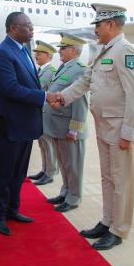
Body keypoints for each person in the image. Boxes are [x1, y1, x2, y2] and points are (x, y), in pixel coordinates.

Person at [49, 4, 134, 250]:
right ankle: (107, 221)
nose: (96, 30)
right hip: (104, 125)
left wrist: (130, 133)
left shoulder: (125, 51)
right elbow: (87, 80)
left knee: (121, 180)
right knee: (107, 178)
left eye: (99, 25)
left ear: (111, 25)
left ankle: (118, 229)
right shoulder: (103, 50)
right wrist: (63, 96)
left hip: (120, 128)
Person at [0, 12, 45, 236]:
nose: (31, 30)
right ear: (13, 29)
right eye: (27, 27)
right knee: (4, 171)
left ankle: (13, 209)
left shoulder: (23, 49)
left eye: (31, 27)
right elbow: (10, 89)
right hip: (8, 123)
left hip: (24, 123)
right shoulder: (3, 53)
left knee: (19, 171)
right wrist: (43, 96)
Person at [45, 33, 88, 212]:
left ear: (73, 50)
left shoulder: (79, 69)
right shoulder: (64, 68)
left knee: (74, 165)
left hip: (69, 128)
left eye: (63, 48)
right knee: (64, 163)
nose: (59, 51)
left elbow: (80, 102)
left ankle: (74, 197)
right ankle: (65, 191)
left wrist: (75, 129)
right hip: (57, 126)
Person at [28, 40, 58, 185]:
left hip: (46, 113)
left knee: (48, 144)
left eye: (39, 54)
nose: (36, 56)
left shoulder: (51, 72)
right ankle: (44, 169)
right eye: (36, 54)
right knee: (42, 143)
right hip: (38, 113)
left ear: (48, 55)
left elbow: (48, 93)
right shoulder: (39, 70)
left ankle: (50, 172)